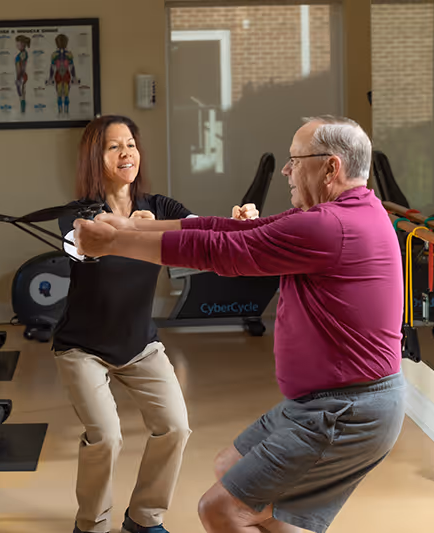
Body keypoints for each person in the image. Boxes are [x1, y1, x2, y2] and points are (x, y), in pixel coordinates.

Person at [73, 115, 406, 533]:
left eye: (294, 160)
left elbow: (222, 249)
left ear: (331, 167)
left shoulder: (330, 226)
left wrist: (115, 242)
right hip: (319, 403)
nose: (286, 170)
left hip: (345, 409)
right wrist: (126, 227)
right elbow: (224, 228)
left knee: (221, 510)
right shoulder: (342, 213)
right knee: (230, 466)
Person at [54, 115, 258, 533]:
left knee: (175, 427)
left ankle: (144, 519)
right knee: (106, 436)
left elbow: (203, 232)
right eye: (114, 146)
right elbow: (84, 244)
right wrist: (129, 229)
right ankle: (90, 525)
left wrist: (238, 222)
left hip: (139, 346)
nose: (126, 152)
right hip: (82, 348)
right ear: (95, 157)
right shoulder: (77, 214)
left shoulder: (160, 207)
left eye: (130, 143)